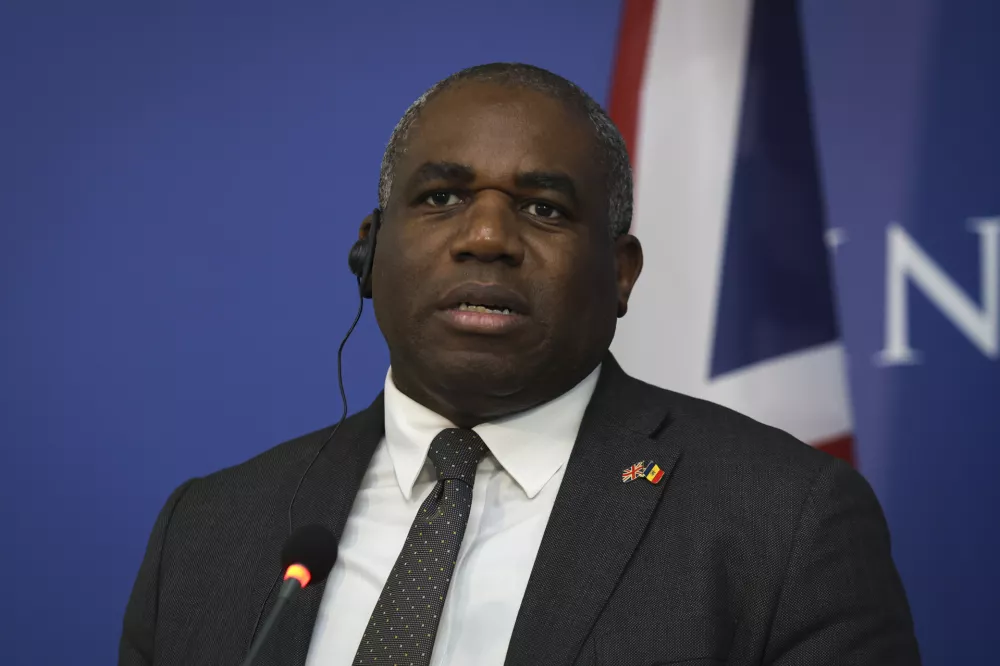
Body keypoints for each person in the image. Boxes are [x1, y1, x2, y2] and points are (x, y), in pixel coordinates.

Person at [119, 63, 921, 666]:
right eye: (441, 198)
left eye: (544, 208)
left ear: (622, 275)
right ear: (369, 251)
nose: (488, 238)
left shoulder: (782, 521)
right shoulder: (209, 532)